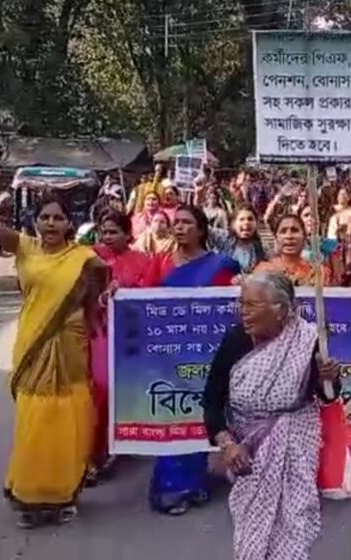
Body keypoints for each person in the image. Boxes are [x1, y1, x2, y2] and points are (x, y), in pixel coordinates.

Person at [0, 158, 107, 529]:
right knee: (35, 419)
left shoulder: (86, 259)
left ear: (69, 222)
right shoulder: (25, 247)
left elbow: (96, 305)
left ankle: (64, 494)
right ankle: (28, 493)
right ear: (35, 222)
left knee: (69, 416)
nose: (51, 224)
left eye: (58, 218)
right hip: (33, 344)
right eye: (45, 218)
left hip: (71, 346)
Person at [204, 272, 340, 560]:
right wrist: (227, 445)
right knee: (252, 526)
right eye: (241, 303)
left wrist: (327, 379)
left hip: (295, 441)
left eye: (252, 305)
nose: (243, 311)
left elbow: (327, 395)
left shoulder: (307, 339)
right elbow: (211, 401)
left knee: (292, 522)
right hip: (248, 450)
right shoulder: (235, 340)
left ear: (280, 310)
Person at [145, 204, 241, 515]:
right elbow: (141, 299)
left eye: (187, 222)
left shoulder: (221, 266)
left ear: (201, 230)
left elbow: (233, 305)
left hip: (206, 354)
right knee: (173, 413)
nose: (180, 227)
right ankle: (171, 487)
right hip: (169, 353)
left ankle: (195, 481)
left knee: (199, 413)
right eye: (177, 222)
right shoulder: (160, 263)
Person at [88, 210, 152, 484]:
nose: (107, 236)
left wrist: (125, 290)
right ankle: (92, 452)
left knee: (124, 389)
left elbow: (150, 294)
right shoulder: (90, 256)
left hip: (130, 334)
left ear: (129, 234)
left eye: (114, 231)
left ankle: (120, 442)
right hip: (97, 330)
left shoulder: (143, 261)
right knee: (99, 387)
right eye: (104, 231)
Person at [255, 214, 332, 287]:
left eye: (294, 230)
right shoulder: (263, 270)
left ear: (304, 237)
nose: (289, 236)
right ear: (276, 238)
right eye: (283, 231)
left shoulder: (319, 273)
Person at [212, 206, 267, 275]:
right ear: (233, 224)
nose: (246, 222)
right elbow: (203, 227)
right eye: (241, 219)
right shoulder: (225, 239)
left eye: (250, 219)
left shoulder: (262, 248)